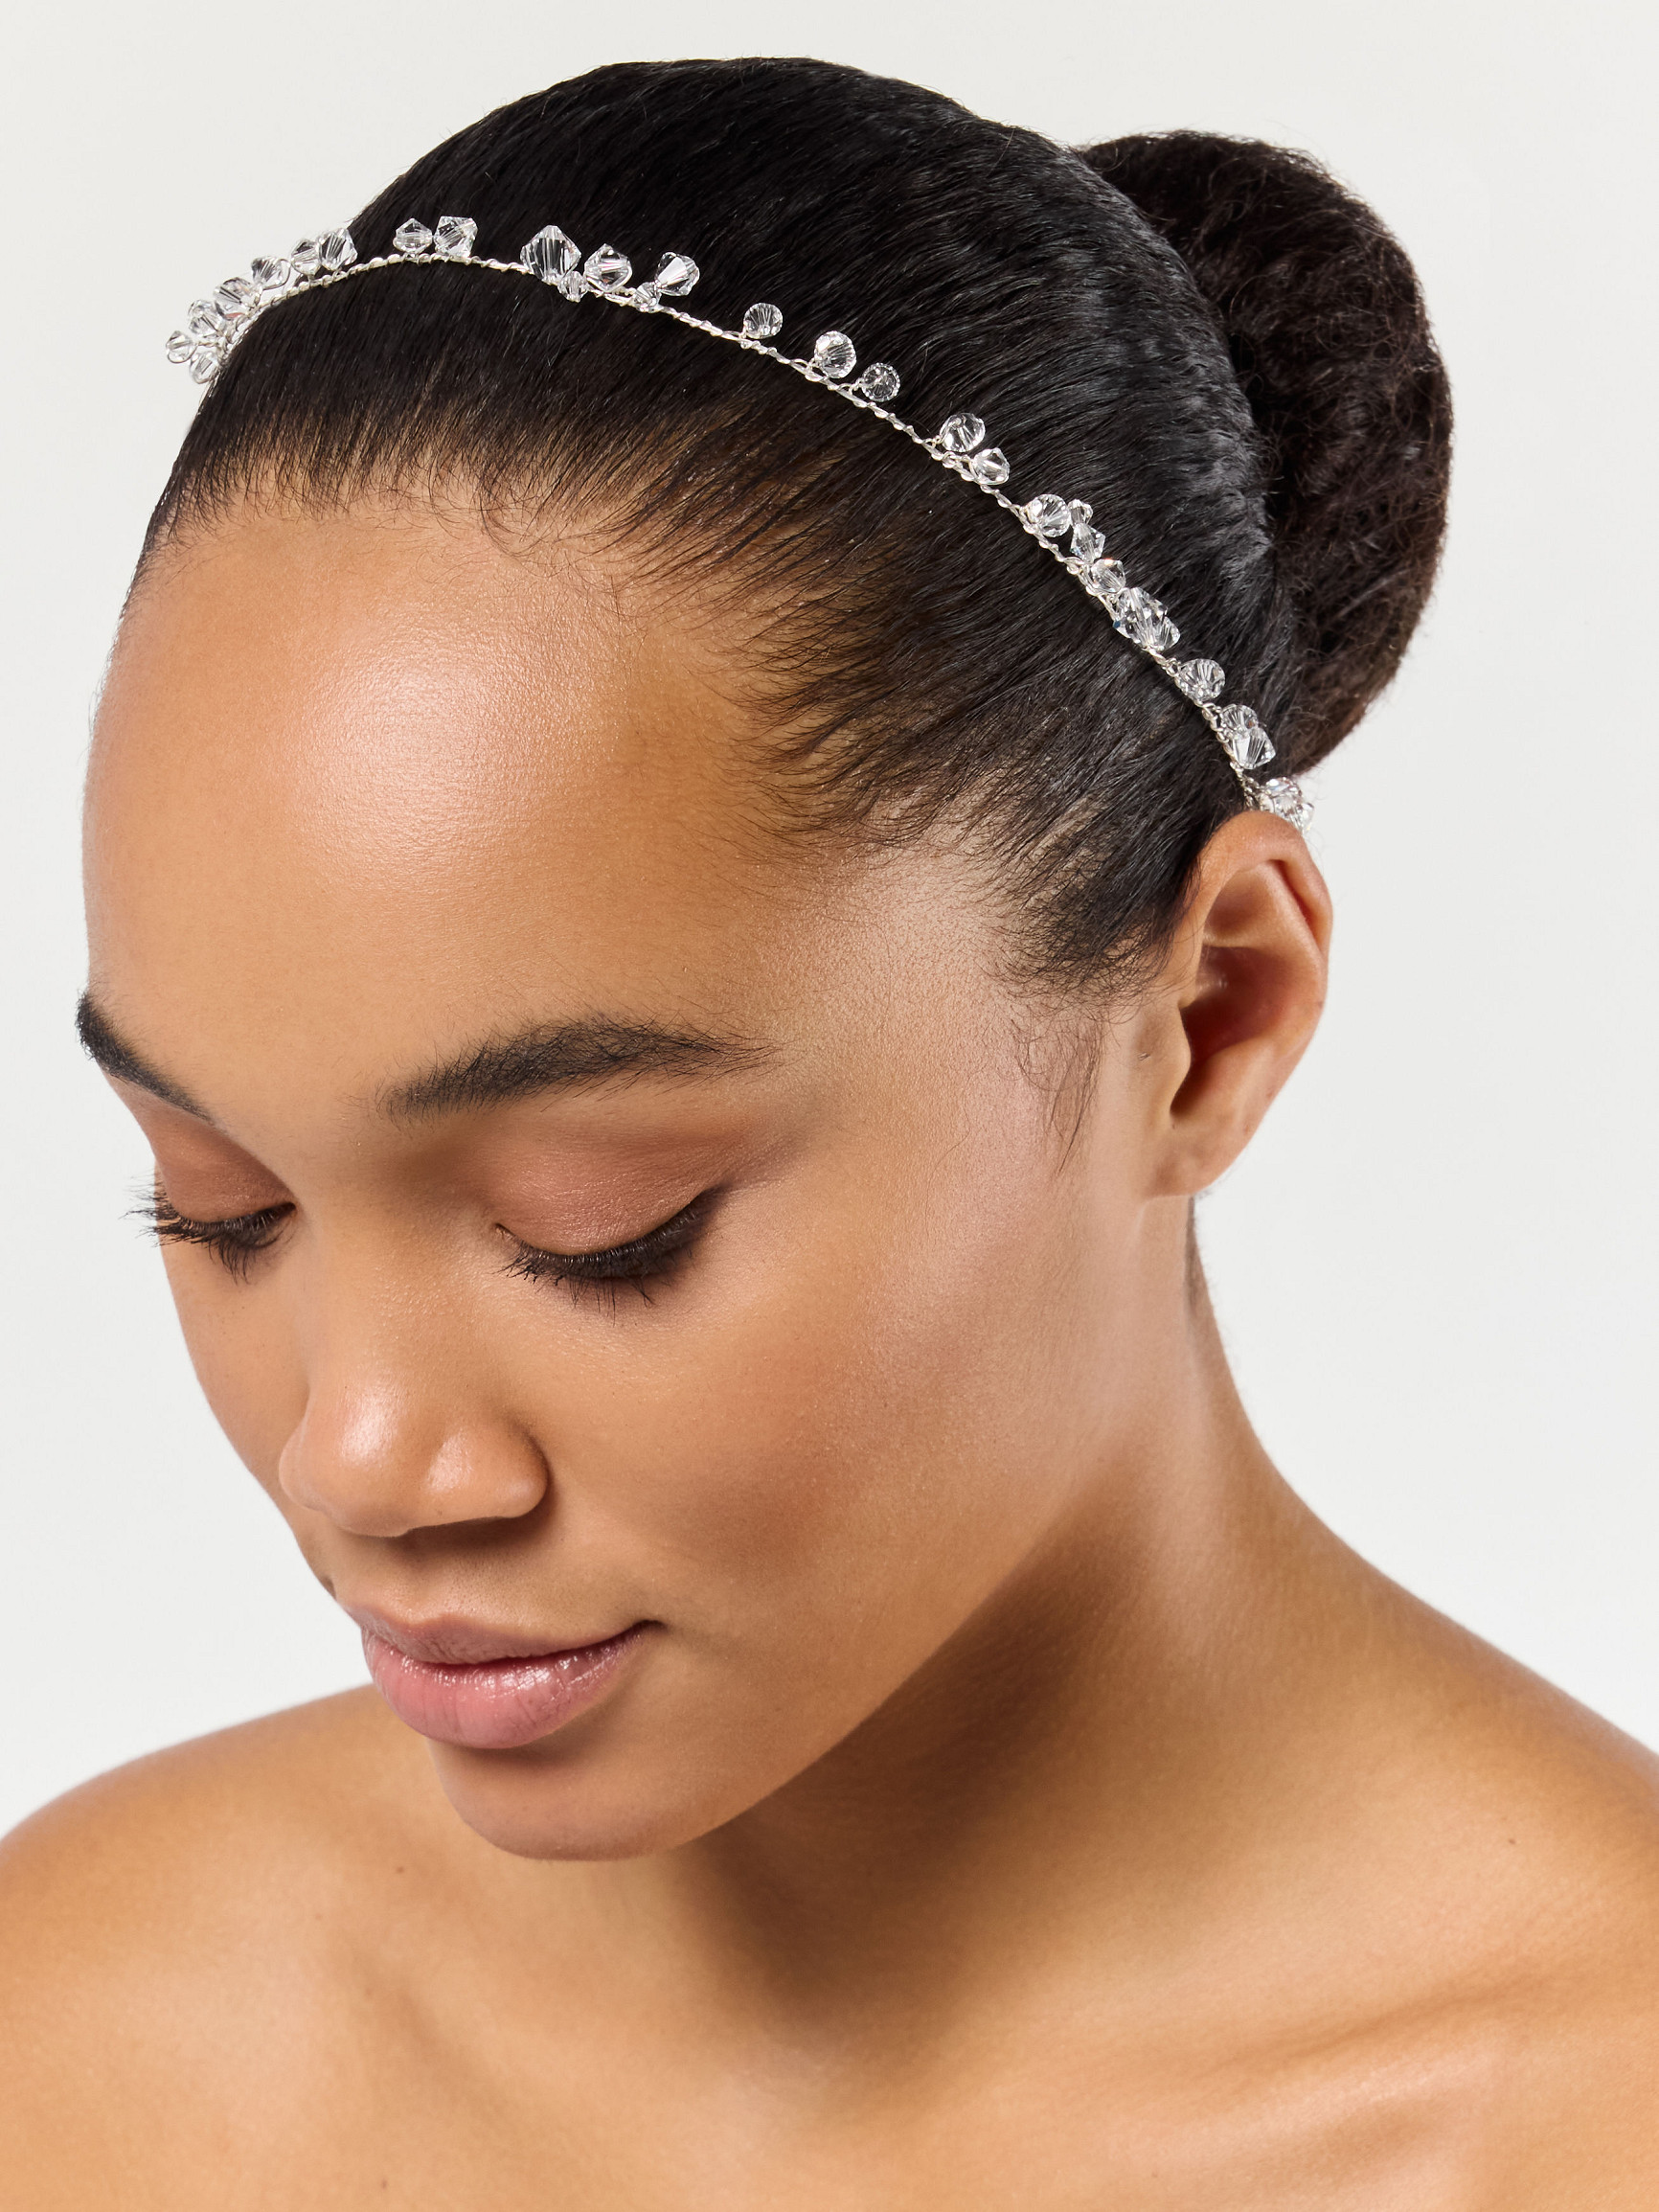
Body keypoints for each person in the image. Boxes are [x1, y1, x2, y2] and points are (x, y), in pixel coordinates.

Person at [3, 55, 1655, 2205]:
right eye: (221, 1207)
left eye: (602, 1226)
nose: (361, 1457)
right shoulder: (84, 2031)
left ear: (1209, 1019)